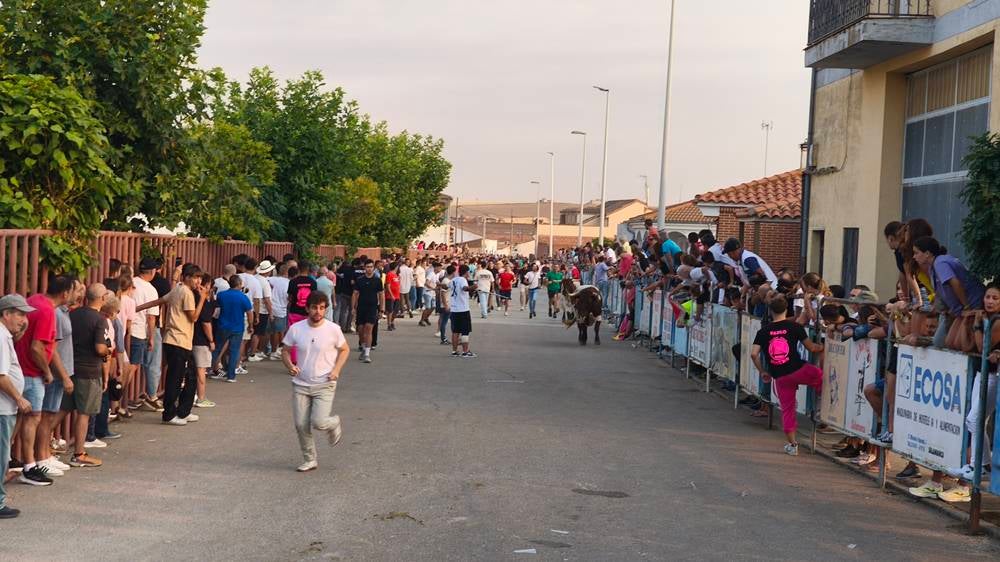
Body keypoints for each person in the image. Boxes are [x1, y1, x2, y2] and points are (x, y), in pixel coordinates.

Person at [14, 275, 73, 485]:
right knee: (33, 418)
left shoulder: (34, 301)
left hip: (19, 368)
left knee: (18, 419)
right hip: (31, 372)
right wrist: (47, 371)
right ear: (65, 293)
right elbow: (38, 347)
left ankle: (17, 460)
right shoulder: (48, 311)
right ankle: (29, 465)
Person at [281, 291, 349, 472]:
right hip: (301, 384)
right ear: (307, 308)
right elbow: (285, 351)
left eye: (321, 308)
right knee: (301, 425)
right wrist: (290, 366)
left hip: (325, 383)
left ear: (326, 309)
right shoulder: (297, 328)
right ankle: (309, 459)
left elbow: (345, 350)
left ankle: (333, 423)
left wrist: (336, 370)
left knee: (319, 422)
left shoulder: (333, 329)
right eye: (314, 308)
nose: (318, 311)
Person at [750, 297, 824, 456]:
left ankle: (793, 444)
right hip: (798, 369)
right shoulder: (795, 326)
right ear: (787, 310)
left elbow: (753, 354)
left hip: (780, 376)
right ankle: (822, 404)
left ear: (770, 311)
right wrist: (823, 347)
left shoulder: (763, 331)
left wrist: (763, 371)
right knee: (819, 376)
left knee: (787, 410)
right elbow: (811, 348)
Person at [62, 284, 111, 468]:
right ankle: (79, 453)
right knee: (84, 413)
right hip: (89, 371)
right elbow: (100, 348)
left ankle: (45, 450)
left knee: (61, 410)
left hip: (69, 368)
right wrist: (108, 350)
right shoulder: (100, 320)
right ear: (103, 299)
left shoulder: (72, 314)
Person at [160, 264, 208, 426]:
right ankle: (170, 414)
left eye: (200, 278)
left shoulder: (178, 288)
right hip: (178, 340)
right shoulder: (186, 292)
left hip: (177, 340)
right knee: (176, 378)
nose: (198, 281)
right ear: (186, 277)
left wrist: (138, 308)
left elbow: (161, 300)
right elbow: (193, 317)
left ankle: (183, 411)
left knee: (190, 376)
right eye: (195, 277)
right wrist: (202, 298)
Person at [0, 294, 34, 517]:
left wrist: (20, 330)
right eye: (20, 314)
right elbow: (1, 375)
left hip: (5, 408)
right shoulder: (1, 337)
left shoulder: (5, 335)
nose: (23, 319)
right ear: (6, 314)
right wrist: (19, 398)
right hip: (3, 408)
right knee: (1, 456)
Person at [131, 259, 162, 412]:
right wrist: (151, 337)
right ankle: (150, 395)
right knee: (143, 365)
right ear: (153, 271)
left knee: (127, 366)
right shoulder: (150, 289)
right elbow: (151, 317)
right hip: (139, 332)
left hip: (126, 330)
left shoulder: (130, 282)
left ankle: (126, 399)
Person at [213, 275, 253, 382]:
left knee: (217, 349)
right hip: (237, 327)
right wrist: (251, 325)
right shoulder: (243, 297)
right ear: (239, 284)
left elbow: (216, 307)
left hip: (223, 325)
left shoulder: (221, 295)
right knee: (234, 351)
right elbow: (249, 313)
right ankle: (231, 376)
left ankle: (209, 369)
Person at [352, 260, 384, 364]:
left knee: (369, 330)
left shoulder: (377, 280)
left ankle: (367, 354)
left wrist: (381, 309)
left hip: (372, 308)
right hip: (361, 308)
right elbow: (355, 294)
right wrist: (353, 307)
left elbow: (381, 295)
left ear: (373, 268)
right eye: (367, 267)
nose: (369, 269)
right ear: (364, 268)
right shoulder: (360, 280)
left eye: (371, 267)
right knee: (361, 331)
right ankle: (363, 346)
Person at [192, 272, 216, 408]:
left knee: (195, 369)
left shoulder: (193, 297)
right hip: (201, 341)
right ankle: (201, 398)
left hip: (192, 338)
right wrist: (211, 340)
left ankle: (196, 396)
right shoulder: (203, 302)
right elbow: (206, 323)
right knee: (201, 370)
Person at [248, 260, 276, 361]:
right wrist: (271, 313)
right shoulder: (265, 282)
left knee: (251, 332)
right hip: (262, 310)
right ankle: (252, 354)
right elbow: (267, 299)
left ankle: (250, 351)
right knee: (258, 333)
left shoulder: (254, 278)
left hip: (251, 308)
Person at [450, 264, 476, 358]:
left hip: (454, 309)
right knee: (465, 331)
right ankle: (465, 351)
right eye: (469, 272)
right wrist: (473, 287)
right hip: (463, 309)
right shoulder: (463, 280)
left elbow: (447, 287)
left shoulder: (453, 280)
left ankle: (454, 351)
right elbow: (465, 288)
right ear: (466, 272)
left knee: (455, 331)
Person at [268, 262, 290, 359]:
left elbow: (266, 281)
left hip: (271, 307)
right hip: (281, 309)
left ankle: (273, 350)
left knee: (272, 331)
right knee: (278, 331)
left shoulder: (272, 279)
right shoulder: (287, 283)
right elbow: (288, 297)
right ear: (287, 272)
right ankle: (274, 351)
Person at [334, 259, 355, 331]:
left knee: (342, 310)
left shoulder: (339, 271)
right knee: (350, 310)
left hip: (342, 292)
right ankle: (348, 326)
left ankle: (342, 327)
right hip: (351, 293)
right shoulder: (352, 271)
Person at [384, 262, 401, 331]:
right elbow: (388, 286)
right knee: (390, 311)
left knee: (396, 310)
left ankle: (392, 321)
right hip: (390, 296)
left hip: (397, 295)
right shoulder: (389, 274)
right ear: (395, 267)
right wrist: (391, 295)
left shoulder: (396, 275)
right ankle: (389, 324)